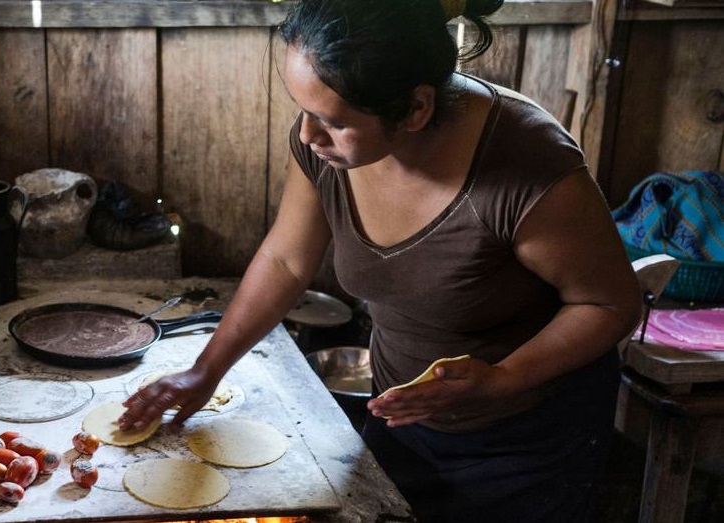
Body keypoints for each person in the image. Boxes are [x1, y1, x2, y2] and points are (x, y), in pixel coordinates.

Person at [119, 0, 643, 521]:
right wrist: (206, 370)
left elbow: (609, 303)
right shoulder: (326, 149)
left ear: (415, 108)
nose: (307, 135)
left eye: (331, 121)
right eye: (303, 110)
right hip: (402, 417)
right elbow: (285, 260)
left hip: (525, 442)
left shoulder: (528, 166)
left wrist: (503, 377)